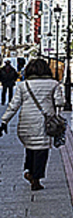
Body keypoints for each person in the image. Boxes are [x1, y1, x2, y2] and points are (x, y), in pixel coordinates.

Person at [0, 58, 65, 191]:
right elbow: (60, 103)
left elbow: (14, 105)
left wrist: (4, 121)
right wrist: (56, 116)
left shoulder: (24, 85)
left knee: (30, 148)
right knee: (41, 151)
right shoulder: (54, 84)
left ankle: (29, 170)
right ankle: (36, 178)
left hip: (26, 122)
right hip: (45, 123)